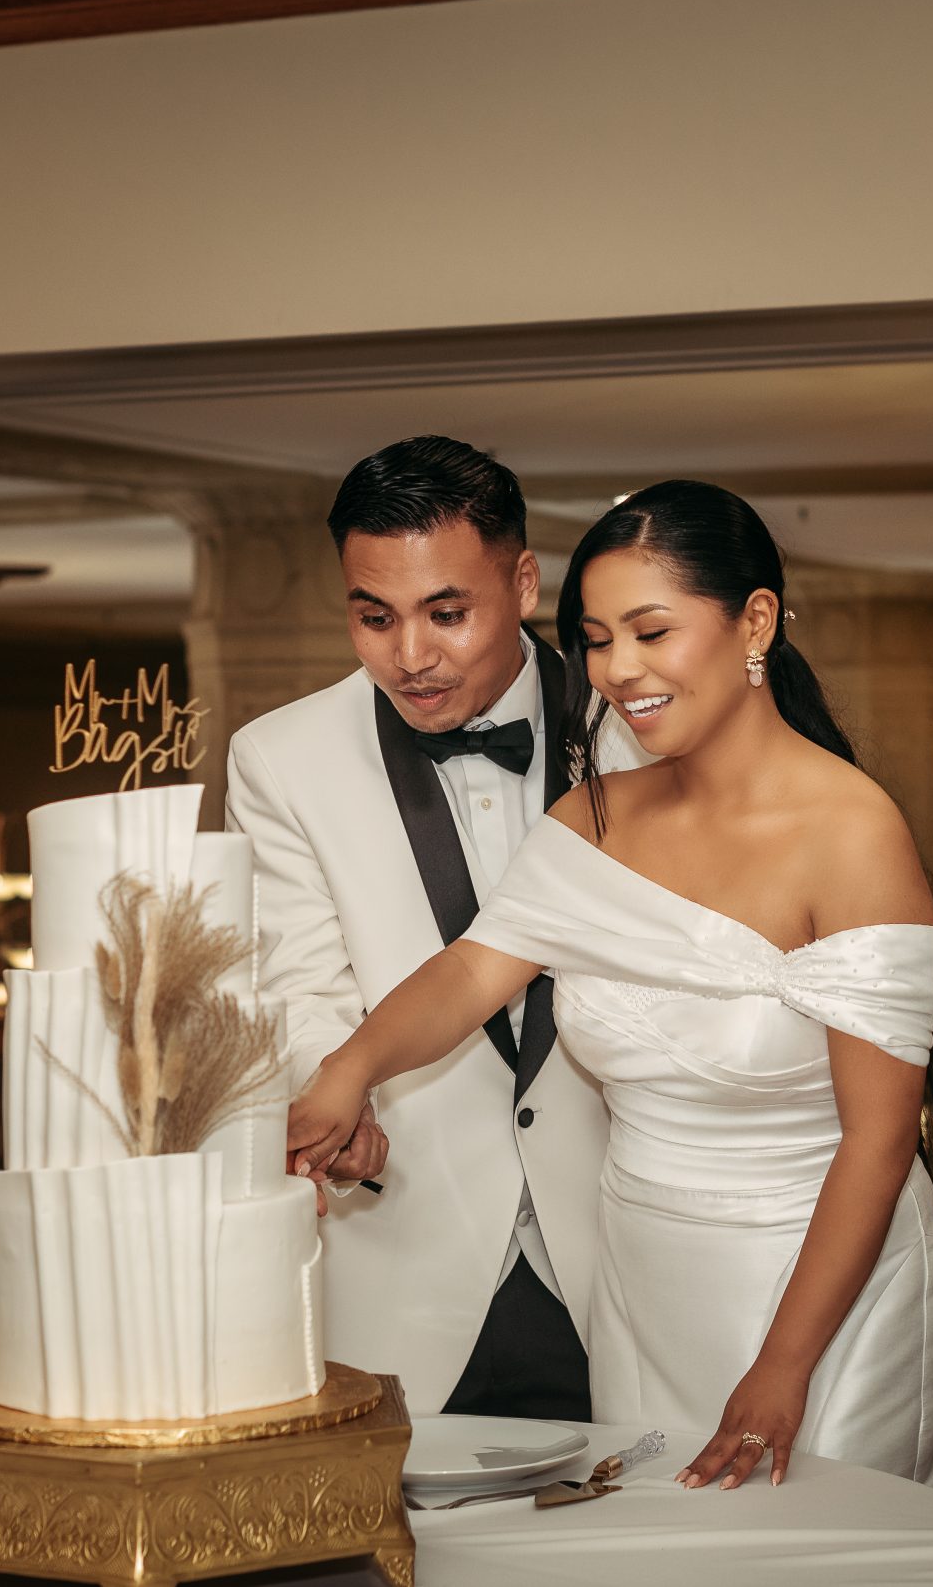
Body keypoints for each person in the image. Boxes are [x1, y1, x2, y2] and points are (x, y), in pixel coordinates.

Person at [289, 479, 933, 1587]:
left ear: (754, 622)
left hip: (819, 1282)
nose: (619, 669)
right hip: (642, 1272)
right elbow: (473, 970)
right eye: (596, 637)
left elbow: (877, 1140)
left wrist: (782, 1365)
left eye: (653, 630)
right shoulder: (599, 815)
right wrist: (348, 1068)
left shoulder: (851, 831)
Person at [226, 435, 644, 1424]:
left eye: (446, 613)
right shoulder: (280, 757)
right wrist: (341, 1102)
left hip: (628, 1258)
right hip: (402, 1252)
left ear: (525, 582)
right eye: (374, 617)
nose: (409, 655)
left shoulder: (638, 727)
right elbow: (295, 983)